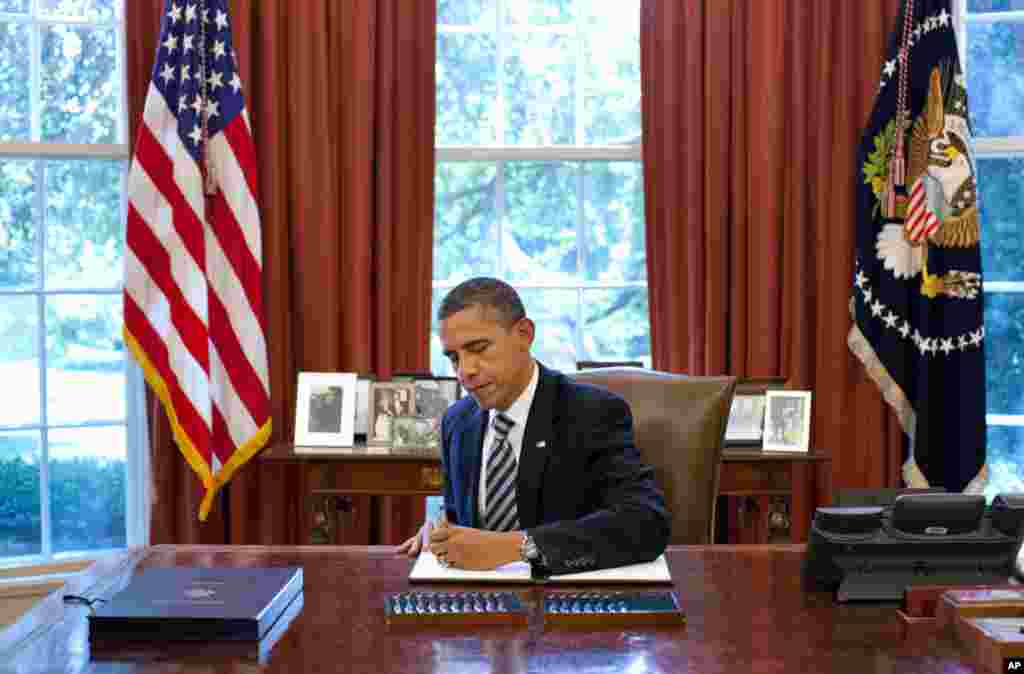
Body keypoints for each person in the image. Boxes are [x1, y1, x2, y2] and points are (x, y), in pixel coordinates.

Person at [397, 277, 669, 574]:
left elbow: (645, 523)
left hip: (570, 600)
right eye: (454, 358)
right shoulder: (457, 421)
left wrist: (515, 547)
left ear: (524, 334)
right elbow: (460, 520)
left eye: (478, 349)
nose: (465, 371)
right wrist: (441, 535)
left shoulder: (593, 412)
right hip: (476, 599)